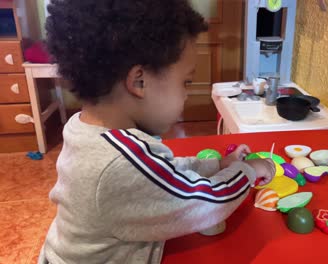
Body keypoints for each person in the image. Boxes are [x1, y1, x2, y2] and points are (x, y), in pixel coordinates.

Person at [38, 0, 275, 263]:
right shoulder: (119, 165)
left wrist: (219, 164)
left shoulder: (83, 127)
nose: (186, 94)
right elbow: (209, 203)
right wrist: (249, 169)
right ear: (139, 82)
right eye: (185, 82)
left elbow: (161, 172)